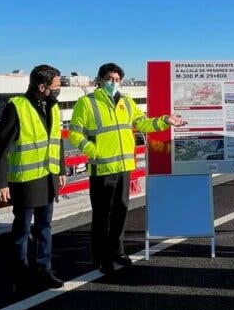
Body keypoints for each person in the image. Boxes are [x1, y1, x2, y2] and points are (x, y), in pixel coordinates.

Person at [67, 62, 186, 273]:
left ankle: (117, 251)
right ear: (100, 80)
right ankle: (102, 256)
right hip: (102, 168)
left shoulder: (127, 101)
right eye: (109, 79)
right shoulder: (86, 103)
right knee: (102, 215)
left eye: (117, 80)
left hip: (124, 166)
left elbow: (143, 123)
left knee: (120, 212)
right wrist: (94, 151)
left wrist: (165, 121)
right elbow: (75, 133)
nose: (113, 83)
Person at [0, 64, 67, 292]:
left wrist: (61, 169)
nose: (58, 89)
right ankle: (20, 272)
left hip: (48, 176)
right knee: (22, 229)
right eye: (56, 85)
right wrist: (1, 182)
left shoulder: (53, 106)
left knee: (45, 226)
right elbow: (1, 147)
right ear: (42, 86)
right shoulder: (17, 106)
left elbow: (57, 139)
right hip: (25, 179)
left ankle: (44, 268)